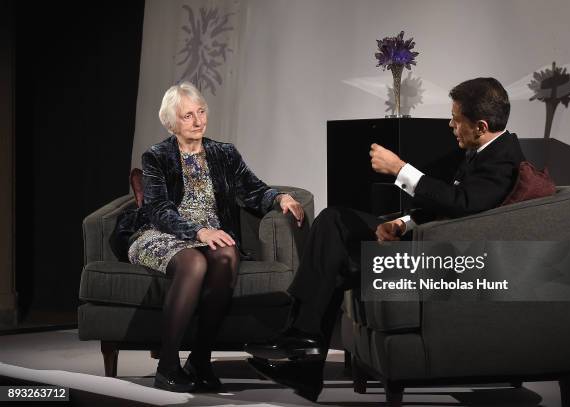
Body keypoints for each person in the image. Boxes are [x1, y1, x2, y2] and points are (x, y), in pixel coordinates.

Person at [245, 77, 526, 401]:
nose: (450, 124)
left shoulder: (503, 158)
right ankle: (303, 353)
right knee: (334, 230)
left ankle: (301, 342)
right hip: (427, 238)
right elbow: (449, 205)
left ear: (480, 126)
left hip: (446, 257)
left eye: (456, 119)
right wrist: (402, 224)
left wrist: (400, 169)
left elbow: (463, 204)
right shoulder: (486, 148)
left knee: (334, 229)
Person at [123, 82, 304, 392]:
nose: (198, 121)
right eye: (187, 116)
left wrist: (280, 198)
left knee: (228, 252)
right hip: (162, 233)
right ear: (171, 122)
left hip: (211, 234)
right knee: (193, 263)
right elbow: (159, 210)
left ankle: (201, 359)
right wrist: (198, 231)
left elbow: (254, 188)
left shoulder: (224, 153)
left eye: (201, 112)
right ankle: (167, 366)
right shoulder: (157, 156)